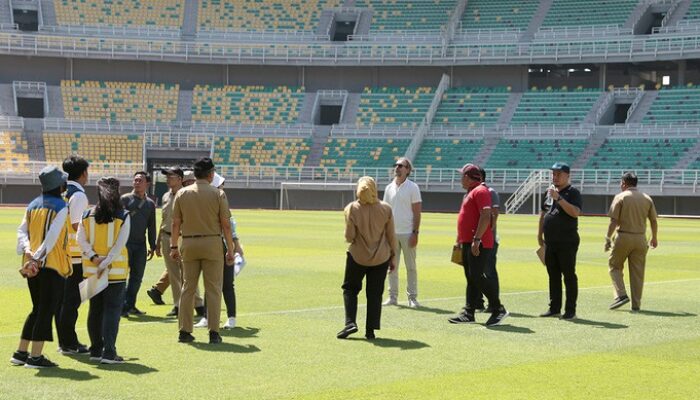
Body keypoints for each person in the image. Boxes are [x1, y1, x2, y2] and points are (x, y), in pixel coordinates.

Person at [11, 166, 71, 368]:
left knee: (37, 308)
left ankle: (21, 353)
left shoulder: (32, 204)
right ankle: (35, 357)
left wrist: (29, 253)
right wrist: (37, 257)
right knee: (46, 309)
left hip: (31, 265)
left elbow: (22, 232)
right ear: (58, 185)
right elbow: (52, 237)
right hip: (50, 265)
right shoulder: (61, 206)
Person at [171, 158, 235, 344]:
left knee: (187, 288)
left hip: (189, 243)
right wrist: (230, 250)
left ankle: (184, 331)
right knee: (213, 288)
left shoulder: (182, 193)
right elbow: (226, 225)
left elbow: (176, 223)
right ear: (211, 174)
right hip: (212, 243)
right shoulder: (218, 194)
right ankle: (213, 332)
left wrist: (174, 246)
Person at [77, 177, 131, 364]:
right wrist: (105, 262)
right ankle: (109, 352)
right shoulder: (123, 215)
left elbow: (80, 241)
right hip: (115, 272)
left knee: (95, 310)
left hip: (92, 270)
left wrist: (94, 258)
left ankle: (95, 350)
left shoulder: (86, 215)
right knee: (112, 311)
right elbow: (119, 246)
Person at [448, 164, 508, 327]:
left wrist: (477, 239)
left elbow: (486, 215)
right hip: (470, 241)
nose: (460, 178)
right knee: (471, 277)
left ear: (468, 177)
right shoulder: (472, 192)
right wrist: (462, 240)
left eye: (462, 175)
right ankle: (469, 312)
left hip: (478, 242)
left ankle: (497, 308)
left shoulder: (480, 191)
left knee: (476, 275)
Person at [337, 176, 397, 340]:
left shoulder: (352, 208)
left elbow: (350, 236)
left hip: (357, 255)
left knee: (350, 289)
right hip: (381, 257)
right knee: (375, 294)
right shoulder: (386, 209)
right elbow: (391, 236)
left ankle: (350, 322)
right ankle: (370, 330)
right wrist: (393, 257)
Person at [148, 168, 205, 318]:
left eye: (171, 176)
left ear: (180, 179)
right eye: (166, 176)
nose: (167, 179)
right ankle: (178, 305)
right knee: (173, 274)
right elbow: (164, 220)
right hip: (167, 237)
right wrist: (158, 242)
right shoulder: (166, 196)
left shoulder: (187, 195)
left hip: (182, 237)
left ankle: (198, 305)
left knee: (187, 273)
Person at [194, 173, 244, 330]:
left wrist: (235, 246)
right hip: (210, 246)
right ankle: (207, 317)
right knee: (210, 283)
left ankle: (231, 318)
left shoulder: (222, 202)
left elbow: (230, 227)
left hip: (222, 246)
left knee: (227, 284)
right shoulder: (206, 203)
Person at [605, 172, 658, 312]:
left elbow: (614, 221)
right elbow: (653, 220)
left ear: (624, 183)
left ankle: (621, 294)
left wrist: (607, 238)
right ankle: (636, 305)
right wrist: (654, 237)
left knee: (614, 266)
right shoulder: (647, 198)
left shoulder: (620, 197)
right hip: (641, 238)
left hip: (623, 236)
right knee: (637, 273)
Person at [537, 162, 582, 320]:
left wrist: (559, 198)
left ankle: (570, 310)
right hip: (551, 241)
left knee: (569, 275)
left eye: (558, 174)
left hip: (567, 241)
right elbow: (543, 213)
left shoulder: (573, 192)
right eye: (553, 174)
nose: (555, 177)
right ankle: (554, 307)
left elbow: (575, 212)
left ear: (567, 175)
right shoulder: (548, 192)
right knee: (553, 275)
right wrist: (539, 234)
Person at [56, 155, 90, 355]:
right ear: (83, 173)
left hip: (62, 254)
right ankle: (69, 343)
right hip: (76, 256)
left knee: (64, 301)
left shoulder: (61, 191)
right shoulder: (78, 195)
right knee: (72, 301)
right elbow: (78, 226)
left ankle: (65, 341)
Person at [382, 157, 422, 308]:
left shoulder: (413, 187)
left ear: (407, 170)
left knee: (411, 266)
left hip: (408, 233)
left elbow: (417, 212)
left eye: (401, 166)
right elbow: (385, 211)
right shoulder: (389, 188)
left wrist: (415, 233)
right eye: (396, 165)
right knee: (391, 267)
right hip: (392, 234)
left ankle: (412, 297)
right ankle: (392, 297)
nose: (397, 168)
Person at [121, 171, 157, 317]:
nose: (136, 182)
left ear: (147, 184)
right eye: (135, 180)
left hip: (140, 245)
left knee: (137, 277)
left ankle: (130, 305)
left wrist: (152, 246)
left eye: (140, 180)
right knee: (122, 276)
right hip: (124, 244)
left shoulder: (150, 204)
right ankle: (122, 306)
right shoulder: (124, 199)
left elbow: (152, 226)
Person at [476, 166, 501, 313]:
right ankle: (478, 301)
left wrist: (486, 236)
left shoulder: (491, 193)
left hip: (487, 240)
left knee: (489, 271)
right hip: (475, 239)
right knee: (476, 271)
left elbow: (494, 215)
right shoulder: (472, 193)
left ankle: (494, 303)